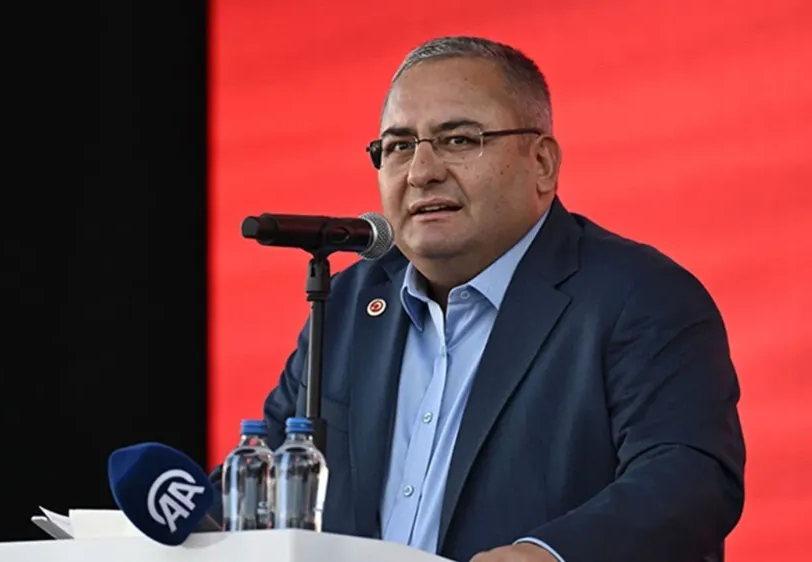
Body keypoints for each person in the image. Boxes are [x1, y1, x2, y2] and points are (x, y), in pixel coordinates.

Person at [210, 36, 745, 562]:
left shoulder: (639, 296)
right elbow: (262, 479)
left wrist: (546, 555)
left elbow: (689, 477)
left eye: (459, 140)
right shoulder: (349, 302)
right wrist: (180, 517)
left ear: (542, 163)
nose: (422, 172)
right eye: (399, 146)